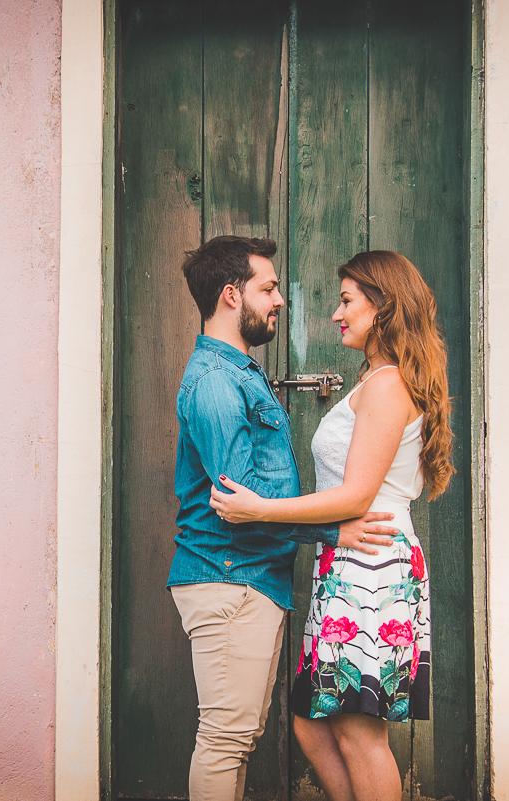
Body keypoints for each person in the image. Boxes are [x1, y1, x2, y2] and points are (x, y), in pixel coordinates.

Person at [210, 250, 454, 801]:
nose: (337, 314)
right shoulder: (378, 380)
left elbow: (356, 495)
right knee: (313, 725)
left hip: (372, 566)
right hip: (348, 563)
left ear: (383, 306)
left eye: (347, 301)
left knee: (357, 733)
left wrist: (261, 509)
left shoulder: (388, 385)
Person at [168, 235, 400, 801]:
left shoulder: (241, 373)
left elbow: (254, 503)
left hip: (251, 578)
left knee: (237, 736)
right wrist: (332, 530)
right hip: (229, 576)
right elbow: (239, 502)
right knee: (226, 738)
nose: (279, 300)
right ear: (231, 295)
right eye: (268, 288)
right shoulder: (218, 382)